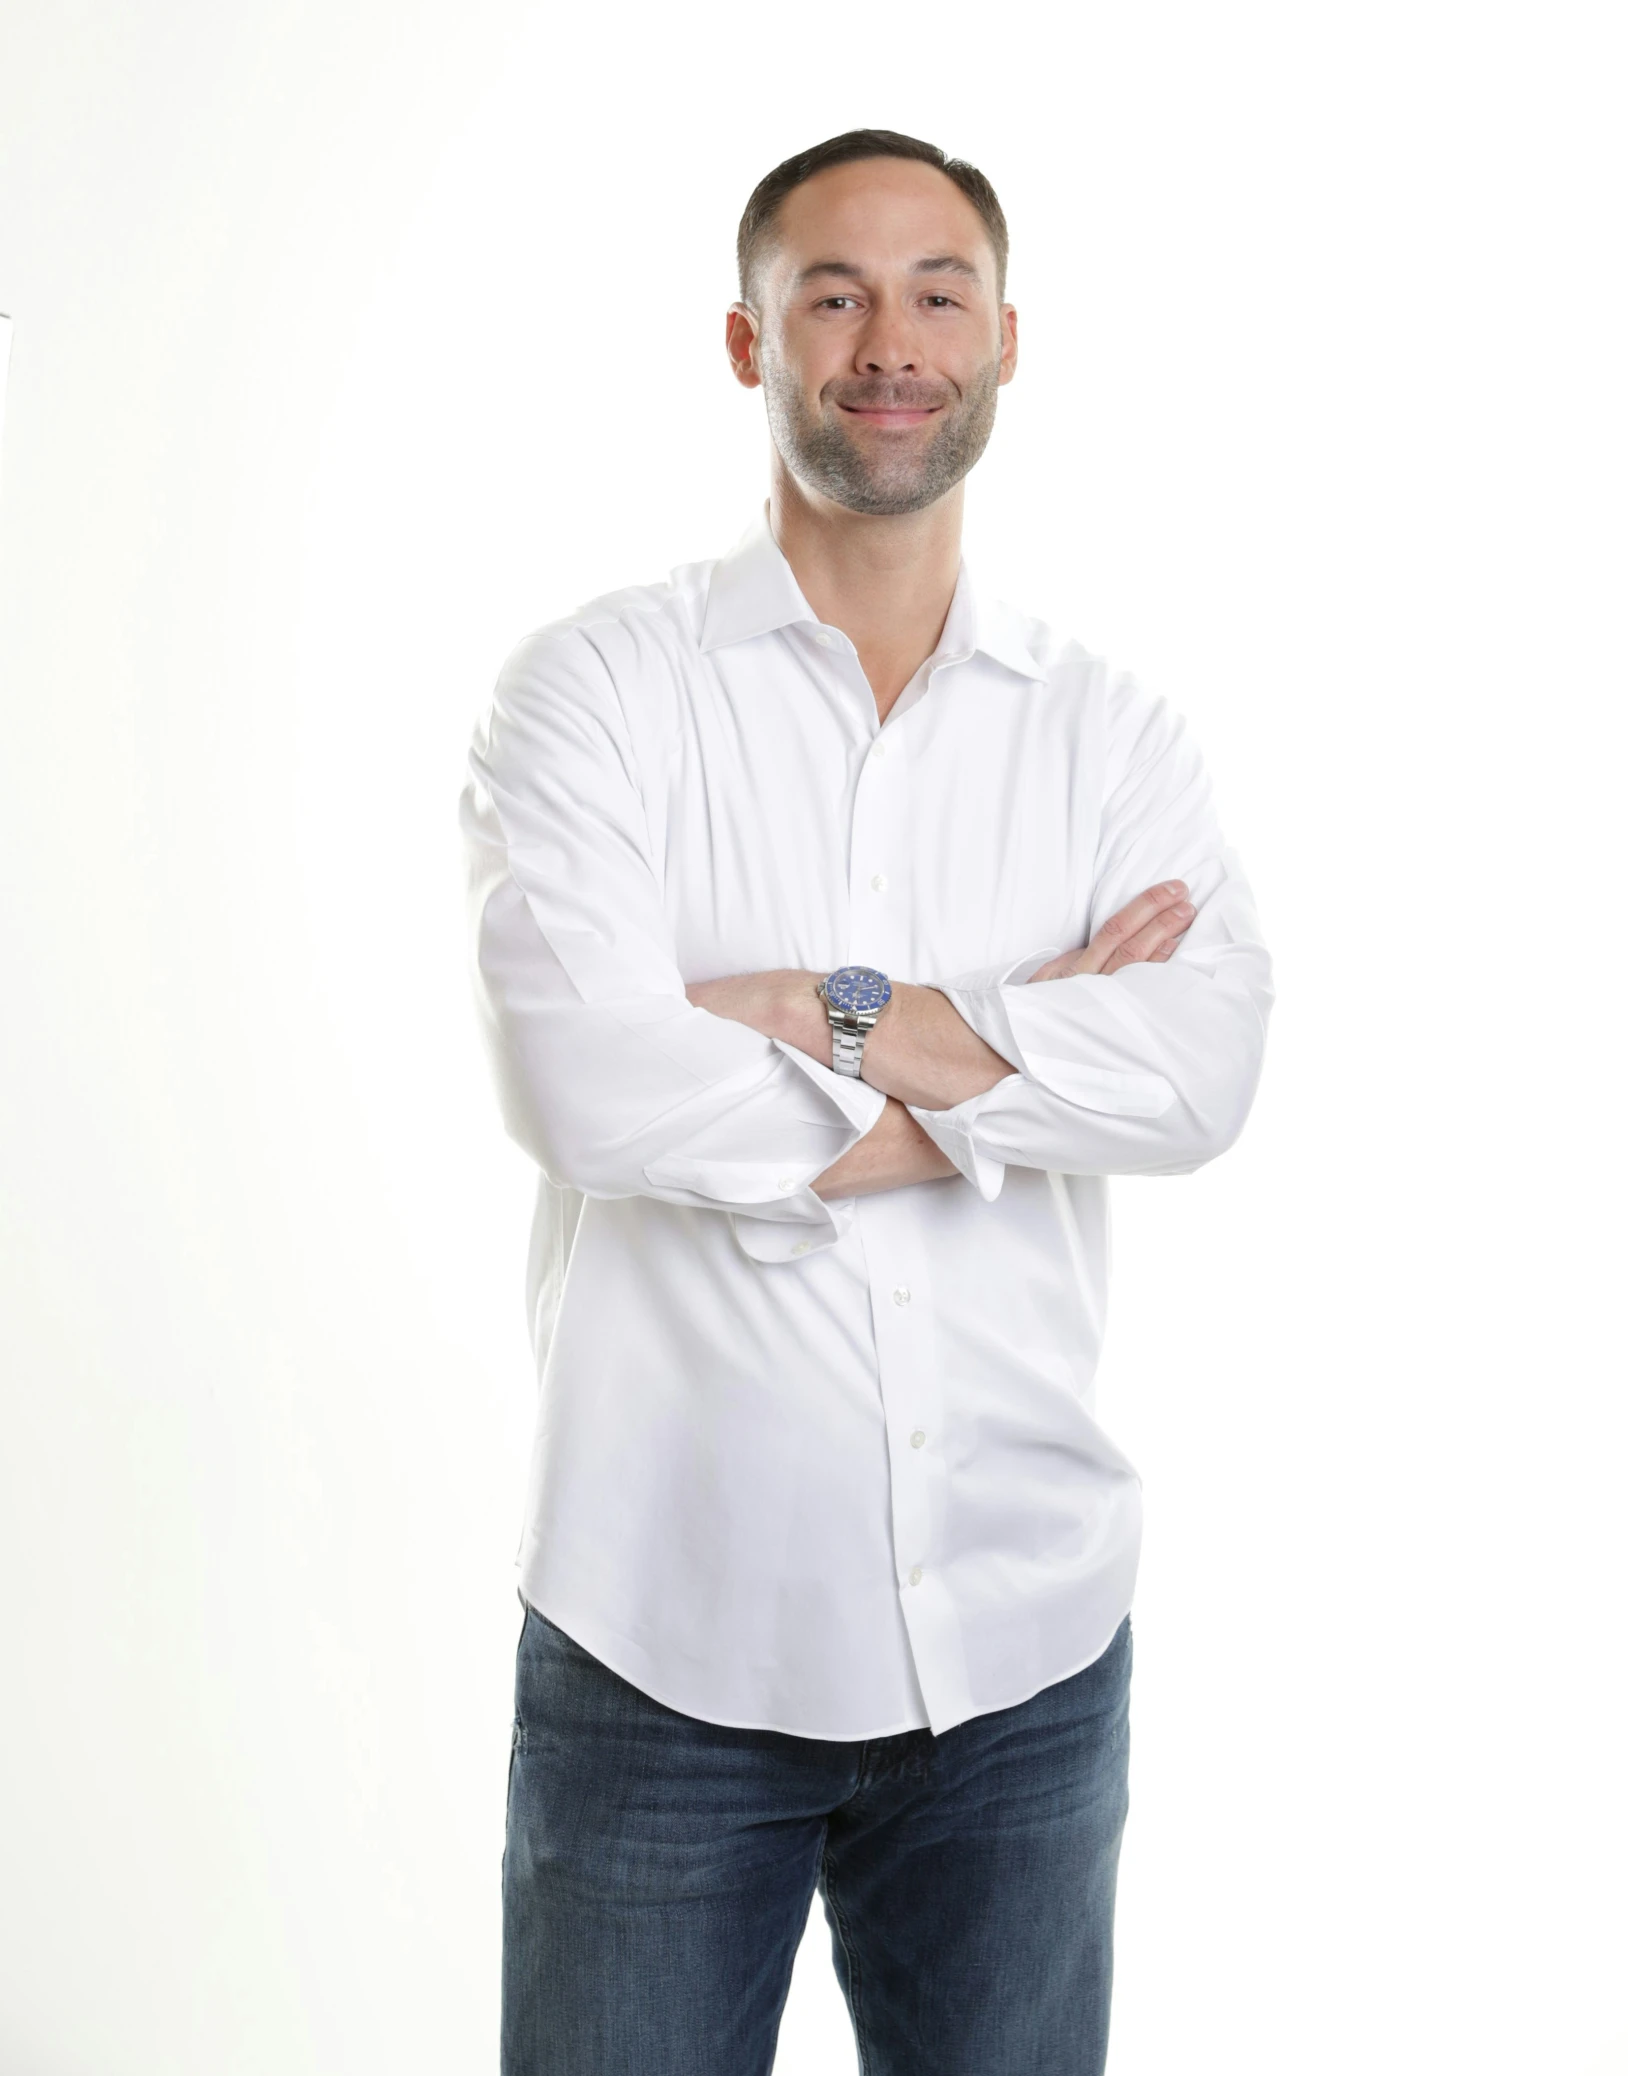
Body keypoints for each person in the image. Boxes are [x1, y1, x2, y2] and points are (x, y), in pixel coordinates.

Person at [460, 126, 1273, 2076]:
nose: (885, 341)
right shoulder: (595, 692)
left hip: (1020, 1646)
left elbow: (1199, 1071)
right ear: (748, 344)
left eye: (933, 292)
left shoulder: (1109, 737)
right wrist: (1007, 1069)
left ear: (1005, 338)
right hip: (662, 1635)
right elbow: (589, 1086)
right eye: (829, 293)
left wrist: (810, 1011)